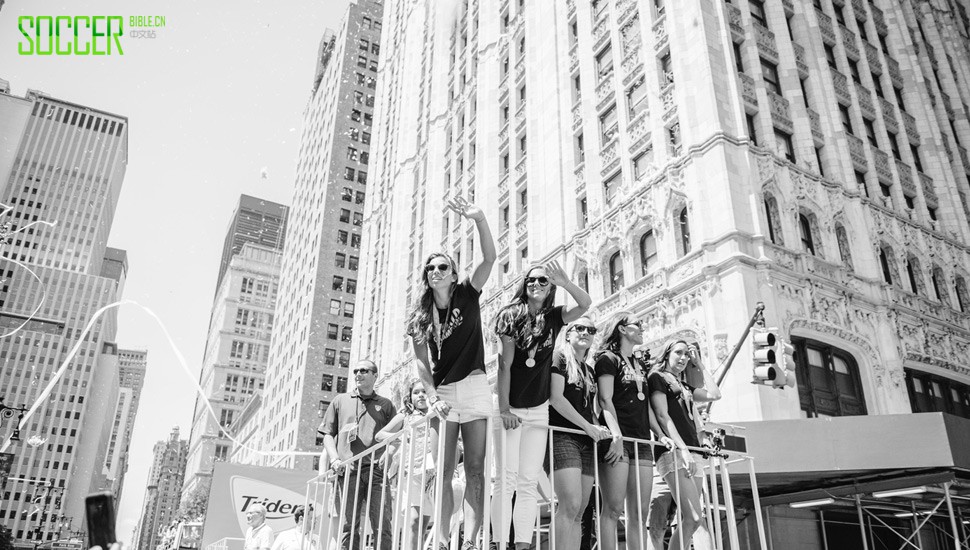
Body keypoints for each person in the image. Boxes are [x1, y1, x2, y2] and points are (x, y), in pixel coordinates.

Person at [406, 197, 496, 550]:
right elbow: (420, 364)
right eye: (431, 268)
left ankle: (472, 540)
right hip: (441, 395)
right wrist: (431, 398)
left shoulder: (467, 294)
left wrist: (480, 219)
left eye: (443, 267)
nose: (436, 272)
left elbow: (489, 258)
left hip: (474, 387)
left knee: (475, 468)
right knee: (441, 470)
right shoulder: (420, 316)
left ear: (454, 274)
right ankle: (442, 540)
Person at [491, 262, 591, 549]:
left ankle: (522, 543)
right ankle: (499, 542)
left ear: (551, 286)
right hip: (511, 408)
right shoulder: (510, 314)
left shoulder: (554, 317)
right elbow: (503, 365)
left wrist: (567, 282)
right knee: (505, 480)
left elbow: (584, 304)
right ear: (524, 284)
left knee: (527, 481)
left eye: (543, 281)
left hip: (537, 408)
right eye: (531, 280)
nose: (536, 284)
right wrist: (504, 410)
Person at [594, 312, 669, 550]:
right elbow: (605, 400)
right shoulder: (608, 359)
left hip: (642, 442)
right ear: (622, 329)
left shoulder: (639, 363)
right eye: (638, 324)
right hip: (619, 439)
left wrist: (660, 433)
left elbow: (645, 404)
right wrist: (615, 436)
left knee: (640, 511)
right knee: (614, 508)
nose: (643, 327)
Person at [648, 341, 721, 550]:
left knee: (695, 519)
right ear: (667, 354)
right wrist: (684, 451)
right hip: (674, 452)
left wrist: (700, 364)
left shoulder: (685, 386)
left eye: (686, 355)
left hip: (693, 453)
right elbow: (662, 416)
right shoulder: (658, 378)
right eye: (678, 353)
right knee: (694, 517)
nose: (683, 358)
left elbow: (715, 395)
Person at [319, 360, 397, 550]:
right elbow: (328, 435)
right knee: (348, 526)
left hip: (376, 472)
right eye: (355, 371)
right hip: (348, 471)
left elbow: (396, 438)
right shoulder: (340, 400)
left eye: (364, 370)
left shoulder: (386, 405)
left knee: (382, 525)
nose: (358, 374)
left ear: (375, 375)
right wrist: (335, 459)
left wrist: (388, 455)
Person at [548, 317, 611, 550]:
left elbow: (589, 409)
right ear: (568, 333)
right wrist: (588, 427)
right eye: (579, 328)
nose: (585, 332)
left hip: (587, 441)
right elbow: (556, 398)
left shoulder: (589, 369)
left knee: (580, 510)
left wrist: (600, 429)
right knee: (569, 505)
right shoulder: (560, 358)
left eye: (591, 330)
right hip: (563, 436)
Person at [376, 379, 440, 550]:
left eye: (424, 391)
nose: (420, 395)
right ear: (410, 397)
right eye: (416, 392)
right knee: (414, 521)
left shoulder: (438, 414)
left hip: (433, 473)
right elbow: (380, 435)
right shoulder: (405, 416)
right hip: (411, 471)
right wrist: (402, 437)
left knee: (424, 523)